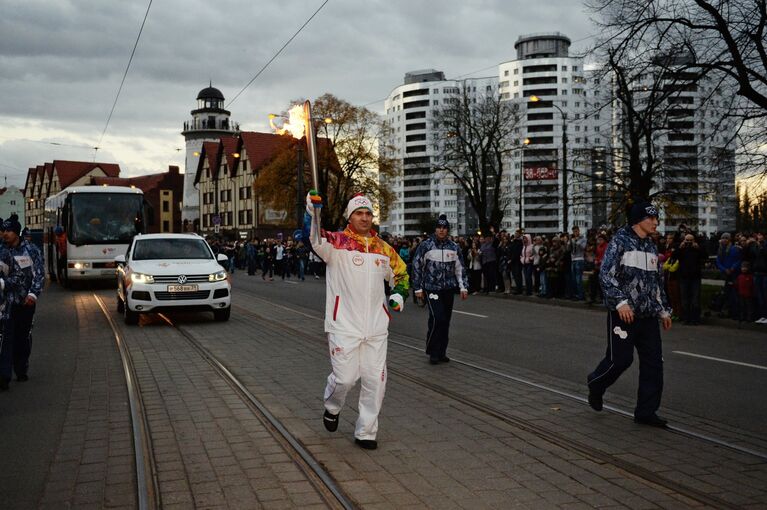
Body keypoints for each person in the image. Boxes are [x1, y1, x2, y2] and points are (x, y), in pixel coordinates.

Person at [305, 191, 409, 451]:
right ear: (349, 216)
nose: (364, 218)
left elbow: (402, 273)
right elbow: (314, 237)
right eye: (359, 213)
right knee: (345, 379)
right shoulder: (335, 243)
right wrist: (313, 211)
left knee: (376, 381)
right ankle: (332, 406)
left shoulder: (384, 249)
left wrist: (398, 293)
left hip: (376, 327)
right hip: (344, 326)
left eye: (368, 214)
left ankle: (366, 431)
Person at [586, 202, 673, 428]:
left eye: (656, 219)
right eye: (651, 219)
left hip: (648, 316)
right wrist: (620, 303)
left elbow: (657, 283)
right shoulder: (620, 242)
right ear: (638, 220)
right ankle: (596, 384)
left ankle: (646, 411)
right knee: (620, 361)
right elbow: (606, 275)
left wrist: (663, 310)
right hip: (624, 315)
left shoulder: (652, 247)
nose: (656, 223)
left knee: (653, 364)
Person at [411, 214, 469, 364]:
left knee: (445, 321)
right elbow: (417, 266)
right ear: (435, 229)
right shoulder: (426, 245)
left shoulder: (454, 247)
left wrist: (463, 287)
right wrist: (417, 288)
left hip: (448, 289)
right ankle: (433, 351)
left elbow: (460, 268)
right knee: (438, 318)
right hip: (432, 289)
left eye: (444, 228)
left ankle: (441, 351)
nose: (442, 230)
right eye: (439, 227)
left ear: (447, 230)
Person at [0, 215, 45, 390]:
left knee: (22, 337)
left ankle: (21, 368)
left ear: (16, 232)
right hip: (6, 304)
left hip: (25, 302)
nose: (5, 234)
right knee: (6, 338)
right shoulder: (2, 251)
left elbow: (39, 274)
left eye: (9, 231)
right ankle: (5, 374)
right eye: (3, 231)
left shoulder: (30, 250)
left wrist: (33, 295)